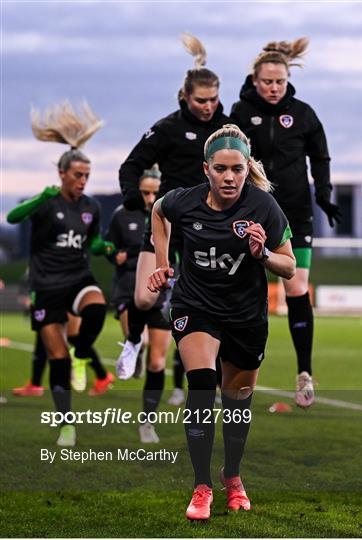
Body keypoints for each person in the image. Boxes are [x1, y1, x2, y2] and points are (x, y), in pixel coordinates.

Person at [149, 124, 295, 520]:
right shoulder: (185, 201)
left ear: (247, 168)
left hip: (246, 315)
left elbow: (290, 266)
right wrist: (163, 262)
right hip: (196, 306)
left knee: (237, 403)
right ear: (206, 170)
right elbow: (158, 210)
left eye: (236, 169)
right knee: (200, 385)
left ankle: (232, 475)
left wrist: (263, 253)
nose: (229, 177)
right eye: (220, 169)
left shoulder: (264, 207)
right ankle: (201, 486)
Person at [117, 33, 230, 405]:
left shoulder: (226, 129)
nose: (208, 106)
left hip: (208, 228)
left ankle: (208, 382)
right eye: (201, 100)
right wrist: (135, 200)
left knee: (211, 303)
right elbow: (131, 165)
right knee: (145, 299)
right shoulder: (165, 128)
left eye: (214, 99)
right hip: (166, 220)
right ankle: (133, 340)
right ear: (185, 97)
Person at [230, 38, 341, 409]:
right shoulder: (241, 112)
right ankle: (221, 372)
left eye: (279, 81)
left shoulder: (305, 114)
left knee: (297, 289)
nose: (274, 88)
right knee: (236, 290)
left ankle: (304, 374)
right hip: (252, 211)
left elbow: (321, 157)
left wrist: (324, 193)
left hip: (295, 212)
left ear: (287, 79)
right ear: (255, 80)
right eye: (267, 82)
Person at [7, 101, 115, 446]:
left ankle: (82, 353)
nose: (83, 181)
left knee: (97, 308)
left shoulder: (91, 208)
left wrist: (106, 249)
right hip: (45, 286)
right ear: (62, 174)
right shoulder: (47, 202)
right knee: (55, 358)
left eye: (87, 176)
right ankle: (66, 424)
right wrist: (40, 198)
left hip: (77, 278)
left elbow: (93, 242)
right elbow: (13, 218)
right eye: (78, 175)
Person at [106, 168, 172, 443]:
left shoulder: (172, 215)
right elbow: (107, 246)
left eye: (155, 192)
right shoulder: (122, 214)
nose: (150, 197)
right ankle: (134, 346)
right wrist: (114, 255)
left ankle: (147, 422)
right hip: (129, 288)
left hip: (162, 292)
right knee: (140, 341)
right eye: (145, 192)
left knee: (157, 363)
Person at [13, 314, 114, 398]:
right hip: (48, 296)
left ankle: (102, 376)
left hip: (60, 295)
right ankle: (35, 384)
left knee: (73, 336)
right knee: (43, 334)